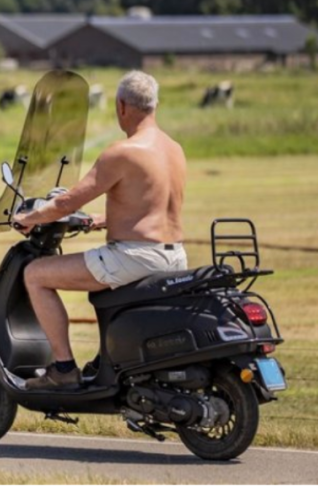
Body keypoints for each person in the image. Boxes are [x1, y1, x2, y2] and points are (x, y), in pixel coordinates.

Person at [12, 70, 188, 390]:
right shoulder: (174, 149)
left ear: (121, 106)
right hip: (174, 256)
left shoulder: (123, 151)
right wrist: (99, 219)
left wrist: (31, 218)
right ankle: (105, 363)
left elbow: (65, 202)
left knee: (35, 274)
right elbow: (153, 206)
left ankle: (63, 368)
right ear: (154, 105)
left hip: (135, 257)